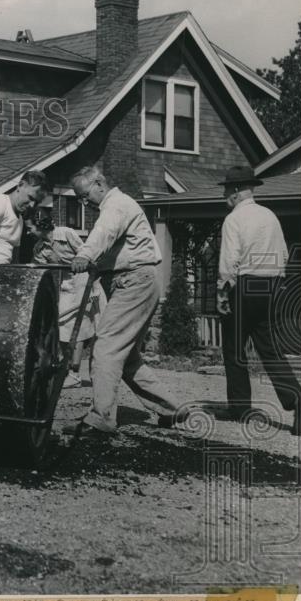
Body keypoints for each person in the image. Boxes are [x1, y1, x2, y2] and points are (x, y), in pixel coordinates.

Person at [66, 165, 189, 436]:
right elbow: (111, 243)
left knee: (105, 347)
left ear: (99, 183)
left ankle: (102, 418)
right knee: (126, 356)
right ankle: (172, 408)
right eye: (79, 198)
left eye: (84, 195)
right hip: (133, 281)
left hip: (134, 281)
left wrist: (85, 255)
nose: (83, 202)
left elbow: (105, 233)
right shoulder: (113, 206)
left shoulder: (117, 204)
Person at [216, 165, 301, 435]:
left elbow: (230, 260)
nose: (225, 195)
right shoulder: (270, 216)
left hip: (245, 283)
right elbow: (284, 255)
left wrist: (222, 292)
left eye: (228, 190)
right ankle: (297, 400)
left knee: (234, 348)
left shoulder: (234, 219)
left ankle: (240, 408)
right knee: (269, 348)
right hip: (272, 284)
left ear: (239, 191)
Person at [31, 215, 106, 388]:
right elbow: (42, 274)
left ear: (40, 225)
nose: (28, 231)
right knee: (63, 327)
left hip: (86, 281)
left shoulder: (66, 234)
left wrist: (94, 286)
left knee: (87, 329)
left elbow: (90, 259)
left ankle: (78, 373)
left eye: (30, 227)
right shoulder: (39, 248)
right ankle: (67, 369)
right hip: (67, 284)